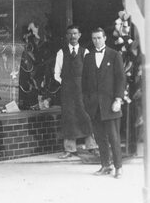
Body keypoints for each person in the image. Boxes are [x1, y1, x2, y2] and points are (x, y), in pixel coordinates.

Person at [82, 27, 125, 179]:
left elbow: (121, 79)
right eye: (94, 38)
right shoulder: (88, 57)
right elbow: (84, 83)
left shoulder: (114, 55)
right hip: (94, 106)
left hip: (111, 104)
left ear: (105, 38)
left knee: (114, 137)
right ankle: (106, 165)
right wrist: (87, 103)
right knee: (100, 138)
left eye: (99, 38)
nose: (96, 41)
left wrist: (118, 99)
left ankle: (118, 167)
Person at [54, 25, 98, 159]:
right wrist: (66, 84)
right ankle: (69, 149)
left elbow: (90, 73)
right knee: (69, 117)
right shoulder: (61, 53)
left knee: (86, 116)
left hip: (82, 90)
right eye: (70, 34)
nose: (72, 36)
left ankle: (92, 147)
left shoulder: (85, 52)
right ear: (67, 36)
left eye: (75, 34)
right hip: (67, 91)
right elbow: (56, 73)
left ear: (79, 35)